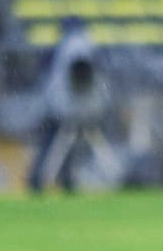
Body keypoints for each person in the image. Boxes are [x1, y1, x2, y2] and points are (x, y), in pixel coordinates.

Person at [26, 16, 123, 192]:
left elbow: (46, 74)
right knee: (61, 144)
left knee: (52, 144)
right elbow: (102, 73)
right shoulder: (91, 48)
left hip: (62, 108)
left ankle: (42, 179)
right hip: (83, 106)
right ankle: (61, 179)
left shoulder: (61, 49)